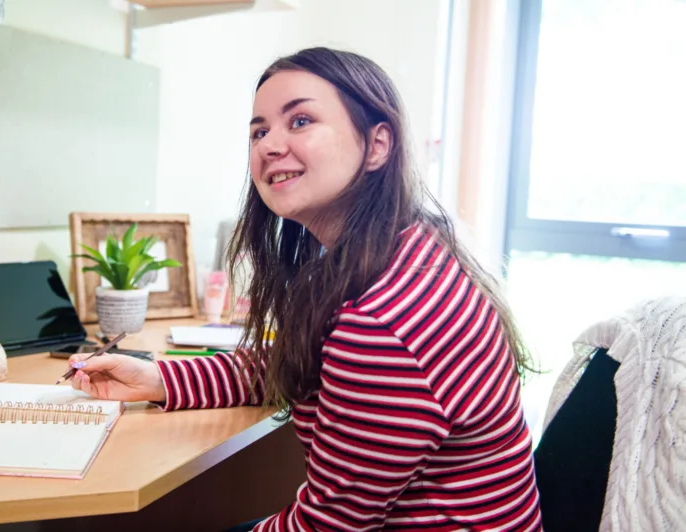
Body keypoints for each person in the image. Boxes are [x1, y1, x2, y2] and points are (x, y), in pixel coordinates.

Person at [69, 47, 543, 531]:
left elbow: (327, 526)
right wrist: (161, 380)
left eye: (300, 121)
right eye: (259, 131)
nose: (269, 146)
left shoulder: (382, 321)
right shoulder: (401, 249)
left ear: (377, 145)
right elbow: (305, 364)